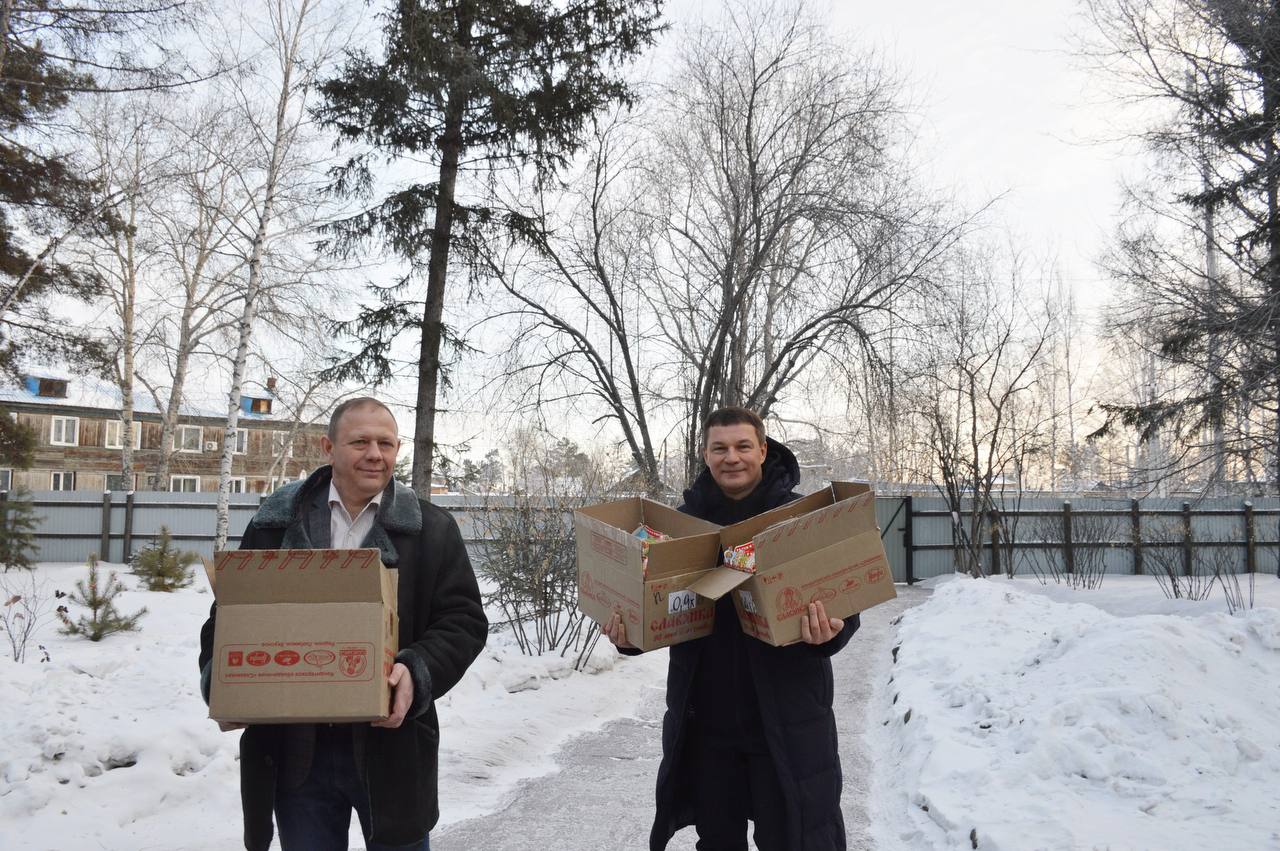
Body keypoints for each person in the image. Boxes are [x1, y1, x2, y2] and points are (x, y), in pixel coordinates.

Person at [198, 397, 487, 851]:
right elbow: (232, 613)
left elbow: (464, 621)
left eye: (386, 443)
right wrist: (223, 682)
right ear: (328, 447)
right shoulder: (276, 524)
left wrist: (417, 671)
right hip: (296, 755)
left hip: (390, 752)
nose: (375, 454)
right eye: (360, 442)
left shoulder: (431, 530)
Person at [605, 406, 857, 851]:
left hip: (785, 719)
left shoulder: (801, 518)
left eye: (743, 446)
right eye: (719, 448)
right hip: (707, 724)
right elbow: (656, 606)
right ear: (705, 454)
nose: (732, 457)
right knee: (717, 841)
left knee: (792, 837)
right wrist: (630, 637)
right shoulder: (676, 527)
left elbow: (845, 605)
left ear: (763, 450)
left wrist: (830, 632)